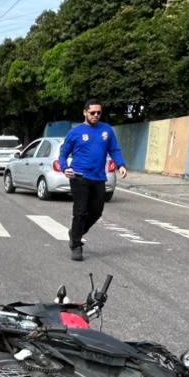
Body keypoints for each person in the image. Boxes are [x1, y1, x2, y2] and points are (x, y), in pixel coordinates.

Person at [59, 100, 127, 261]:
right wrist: (64, 168)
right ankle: (76, 245)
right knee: (81, 211)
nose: (96, 115)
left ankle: (75, 232)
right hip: (79, 177)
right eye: (92, 113)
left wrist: (120, 165)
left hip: (98, 178)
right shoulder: (75, 132)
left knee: (96, 212)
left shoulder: (107, 130)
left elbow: (114, 149)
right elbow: (63, 153)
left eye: (98, 113)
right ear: (85, 112)